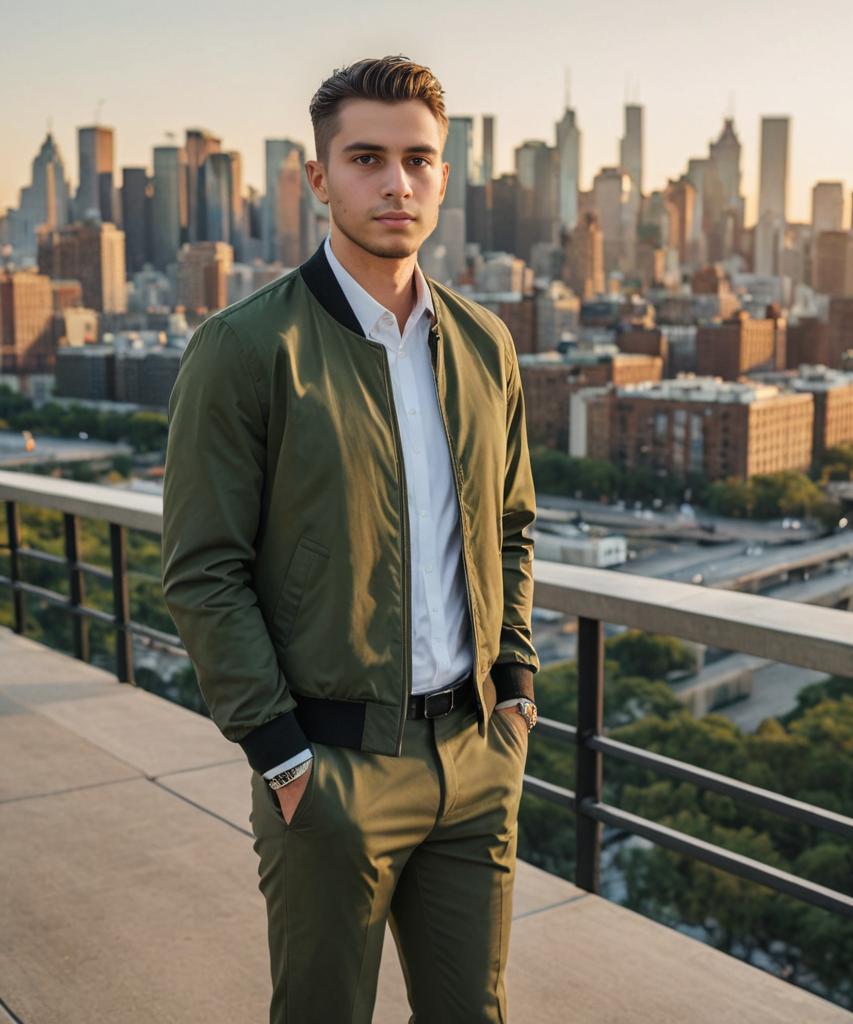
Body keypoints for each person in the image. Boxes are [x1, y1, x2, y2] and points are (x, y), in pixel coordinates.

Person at [160, 54, 540, 1024]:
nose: (396, 183)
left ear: (445, 178)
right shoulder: (245, 349)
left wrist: (518, 689)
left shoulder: (484, 343)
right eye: (367, 158)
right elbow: (205, 571)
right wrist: (282, 756)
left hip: (474, 754)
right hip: (329, 772)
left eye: (419, 160)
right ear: (319, 176)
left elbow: (511, 523)